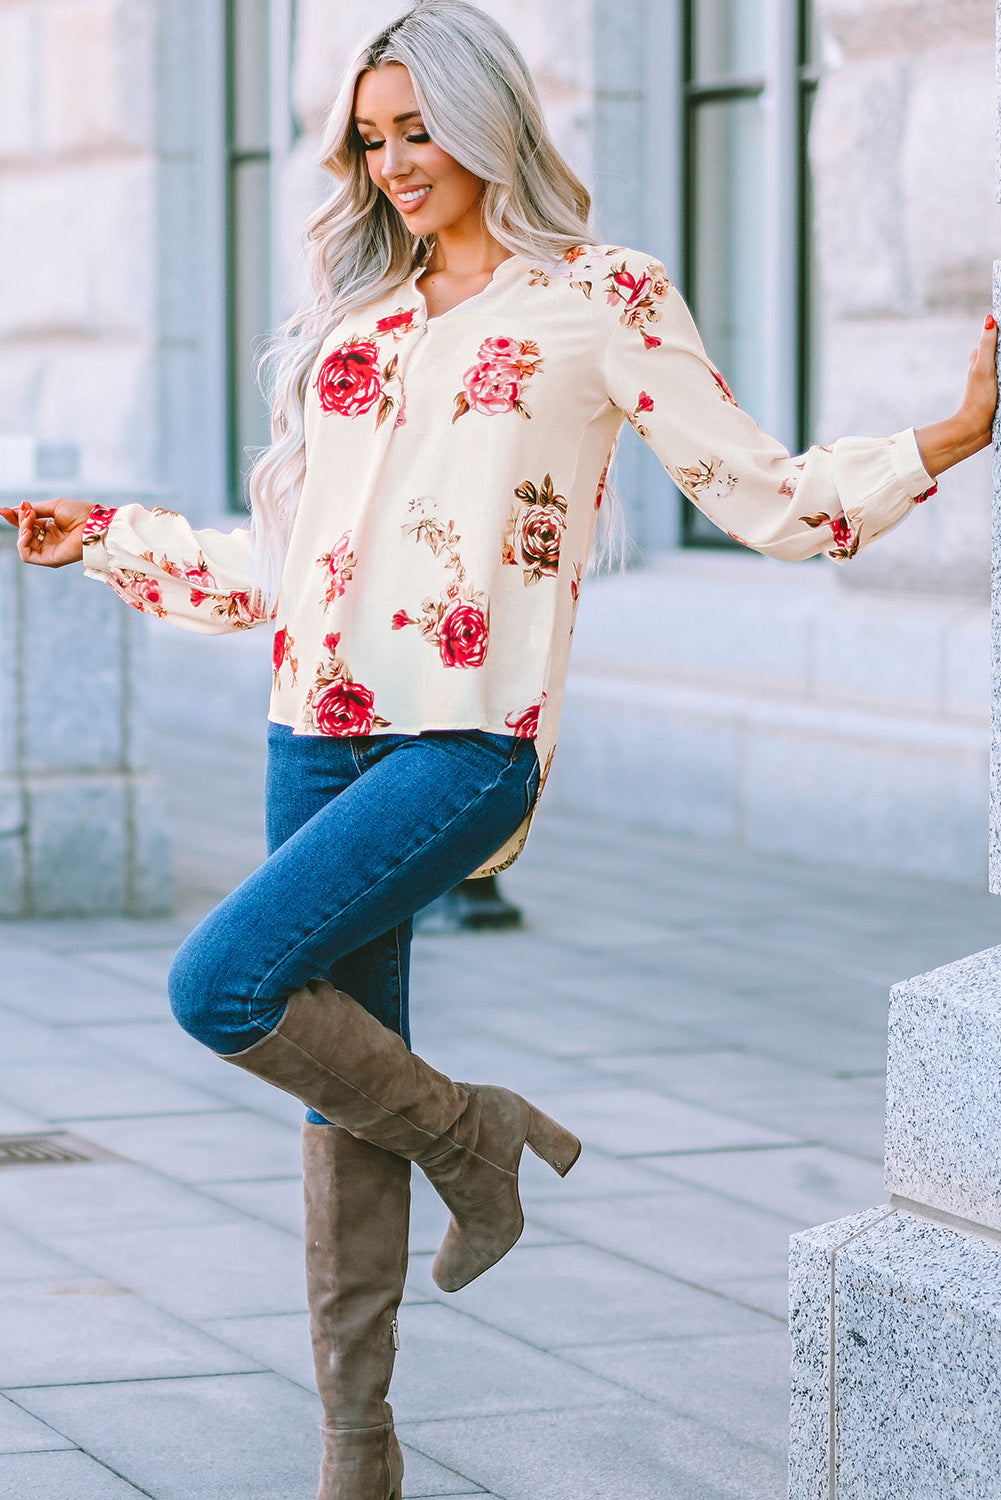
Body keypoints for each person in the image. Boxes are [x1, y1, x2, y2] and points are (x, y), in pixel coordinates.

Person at [3, 2, 997, 1495]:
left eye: (419, 130)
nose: (395, 163)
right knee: (345, 1097)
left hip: (461, 742)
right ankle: (361, 1449)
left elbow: (760, 494)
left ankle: (477, 1143)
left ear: (487, 124)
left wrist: (942, 437)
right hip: (312, 734)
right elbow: (288, 570)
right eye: (373, 137)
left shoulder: (602, 299)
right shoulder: (358, 328)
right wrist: (109, 545)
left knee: (220, 985)